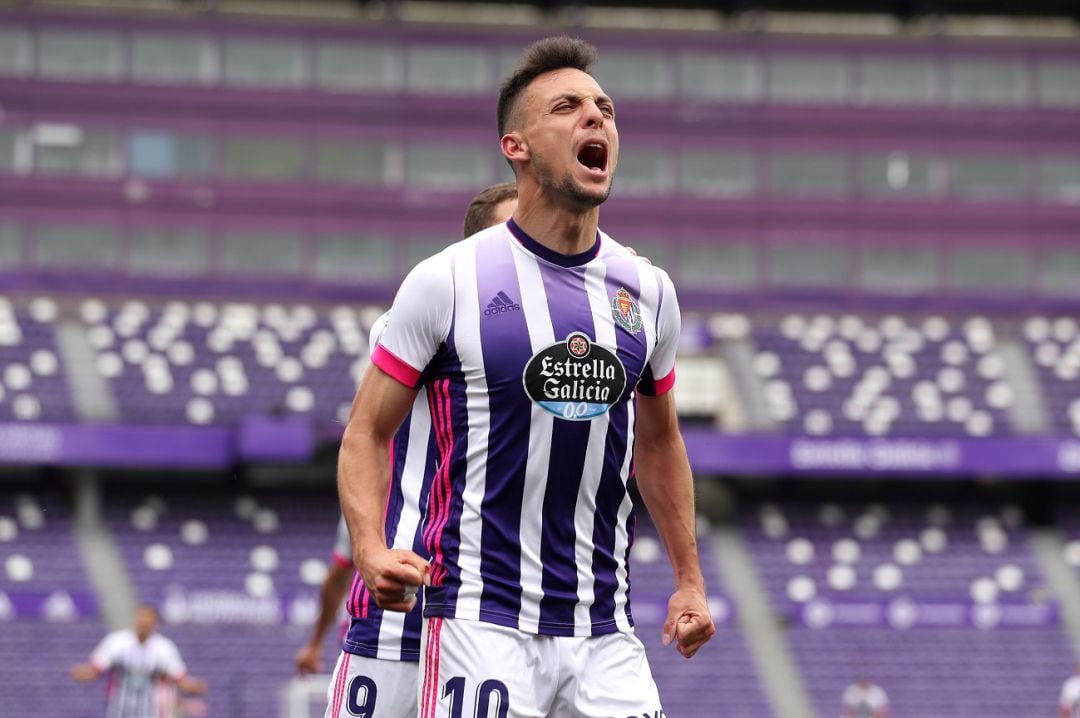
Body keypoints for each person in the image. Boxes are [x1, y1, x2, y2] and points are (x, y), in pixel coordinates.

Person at [338, 36, 713, 718]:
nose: (596, 119)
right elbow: (366, 433)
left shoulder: (648, 291)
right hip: (480, 616)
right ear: (517, 146)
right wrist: (368, 547)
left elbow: (659, 444)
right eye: (567, 108)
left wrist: (689, 580)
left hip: (604, 628)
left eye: (605, 108)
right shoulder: (446, 280)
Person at [312, 182, 519, 717]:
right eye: (513, 235)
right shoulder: (427, 314)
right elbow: (364, 436)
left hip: (499, 615)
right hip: (405, 603)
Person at [71, 605, 207, 718]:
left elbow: (180, 680)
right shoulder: (117, 642)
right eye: (141, 617)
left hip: (148, 710)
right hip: (119, 709)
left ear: (155, 623)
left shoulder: (164, 649)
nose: (144, 622)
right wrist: (82, 674)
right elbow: (95, 670)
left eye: (148, 618)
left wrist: (194, 687)